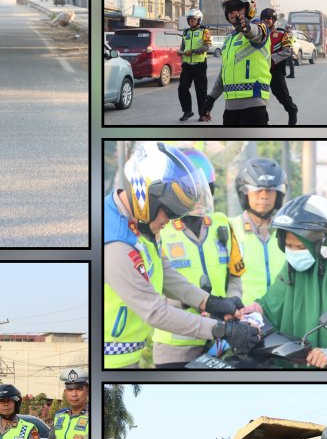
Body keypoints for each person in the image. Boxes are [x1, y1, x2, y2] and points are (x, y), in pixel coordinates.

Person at [104, 141, 260, 369]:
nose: (170, 221)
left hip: (126, 358)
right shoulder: (117, 244)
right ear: (146, 196)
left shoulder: (137, 222)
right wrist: (222, 330)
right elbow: (155, 312)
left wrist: (210, 302)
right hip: (110, 362)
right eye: (170, 211)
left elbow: (163, 271)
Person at [152, 147, 245, 368]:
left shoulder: (222, 223)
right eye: (188, 190)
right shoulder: (159, 230)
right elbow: (155, 283)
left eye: (201, 189)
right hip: (175, 344)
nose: (196, 196)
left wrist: (231, 304)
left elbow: (235, 275)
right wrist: (194, 302)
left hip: (221, 337)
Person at [239, 194, 327, 368]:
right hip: (293, 362)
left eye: (300, 247)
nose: (294, 252)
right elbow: (270, 303)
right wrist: (245, 312)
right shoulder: (292, 267)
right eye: (289, 246)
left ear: (325, 241)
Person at [201, 0, 271, 126]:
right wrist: (210, 99)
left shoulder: (259, 28)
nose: (234, 13)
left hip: (254, 107)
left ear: (249, 7)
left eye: (238, 8)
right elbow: (223, 73)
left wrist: (246, 27)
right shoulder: (229, 39)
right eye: (229, 9)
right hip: (230, 109)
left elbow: (257, 33)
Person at [229, 157, 288, 304]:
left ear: (278, 195)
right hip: (242, 317)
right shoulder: (228, 229)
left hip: (281, 317)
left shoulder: (288, 233)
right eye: (257, 190)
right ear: (244, 193)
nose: (264, 196)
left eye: (270, 191)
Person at [261, 8, 298, 125]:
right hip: (260, 71)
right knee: (259, 99)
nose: (266, 21)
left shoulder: (282, 34)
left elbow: (287, 51)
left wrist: (272, 59)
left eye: (269, 18)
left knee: (282, 96)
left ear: (274, 20)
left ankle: (292, 110)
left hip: (276, 71)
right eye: (264, 19)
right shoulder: (258, 35)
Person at [177, 8, 212, 121]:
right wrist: (180, 52)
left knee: (201, 91)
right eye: (190, 20)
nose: (192, 22)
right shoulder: (186, 32)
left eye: (194, 20)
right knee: (182, 88)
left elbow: (206, 46)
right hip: (187, 65)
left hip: (199, 65)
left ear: (199, 20)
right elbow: (183, 46)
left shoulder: (204, 31)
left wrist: (192, 51)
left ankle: (202, 114)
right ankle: (187, 111)